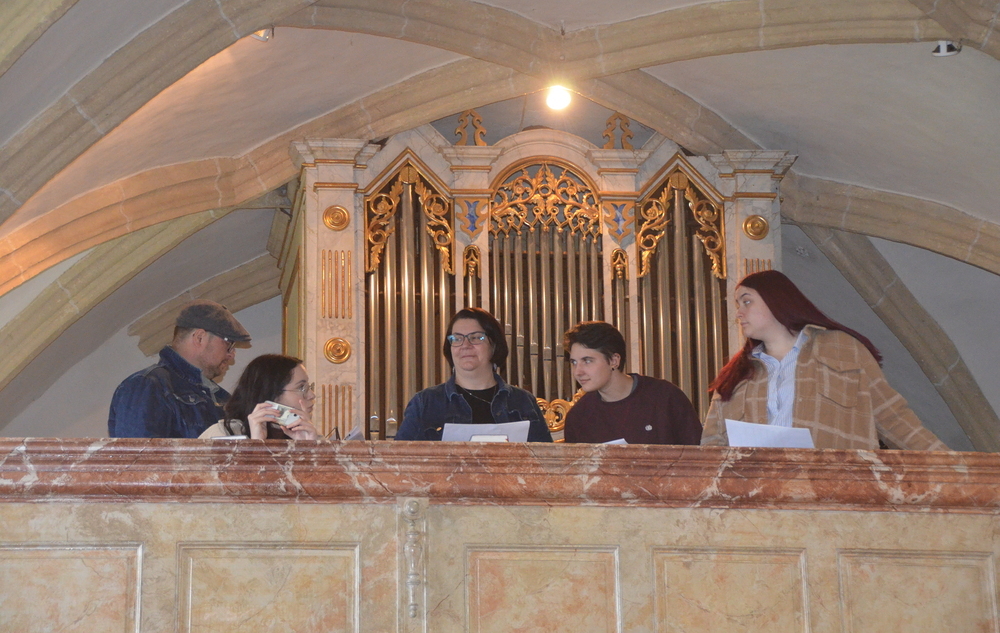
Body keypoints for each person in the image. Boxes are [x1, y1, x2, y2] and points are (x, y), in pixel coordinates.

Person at [701, 270, 946, 450]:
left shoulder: (842, 348)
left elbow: (893, 417)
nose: (738, 312)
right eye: (738, 304)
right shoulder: (735, 374)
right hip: (755, 495)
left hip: (835, 491)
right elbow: (712, 444)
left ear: (776, 299)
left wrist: (955, 467)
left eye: (746, 301)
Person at [395, 307, 553, 442]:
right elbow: (398, 461)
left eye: (476, 337)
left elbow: (546, 461)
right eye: (457, 338)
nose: (465, 345)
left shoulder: (523, 402)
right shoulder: (425, 403)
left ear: (494, 344)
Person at [108, 299, 251, 438]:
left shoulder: (221, 397)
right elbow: (141, 453)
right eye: (229, 345)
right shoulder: (148, 385)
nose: (231, 355)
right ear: (199, 337)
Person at [562, 321, 702, 445]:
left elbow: (700, 455)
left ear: (614, 361)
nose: (578, 372)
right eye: (574, 362)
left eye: (587, 361)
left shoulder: (666, 397)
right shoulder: (578, 417)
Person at [199, 354, 319, 440]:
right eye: (301, 387)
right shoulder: (222, 434)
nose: (311, 395)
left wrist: (308, 449)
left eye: (309, 387)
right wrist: (256, 446)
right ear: (272, 394)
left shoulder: (310, 437)